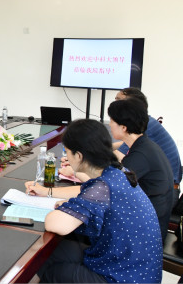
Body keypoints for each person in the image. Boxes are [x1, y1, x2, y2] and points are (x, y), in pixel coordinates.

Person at [26, 119, 162, 283]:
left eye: (67, 152)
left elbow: (54, 224)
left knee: (53, 270)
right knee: (55, 252)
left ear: (78, 156)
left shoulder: (103, 187)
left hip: (123, 278)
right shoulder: (118, 172)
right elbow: (91, 188)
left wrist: (66, 207)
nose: (66, 156)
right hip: (136, 268)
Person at [108, 98, 173, 243]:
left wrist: (77, 171)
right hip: (150, 221)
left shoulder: (140, 155)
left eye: (112, 120)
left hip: (146, 233)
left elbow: (107, 188)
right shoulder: (144, 145)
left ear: (124, 127)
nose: (110, 124)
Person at [113, 87, 181, 186]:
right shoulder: (147, 122)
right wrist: (105, 145)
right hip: (162, 185)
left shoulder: (147, 126)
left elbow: (119, 157)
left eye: (119, 101)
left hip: (164, 187)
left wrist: (95, 150)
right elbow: (125, 144)